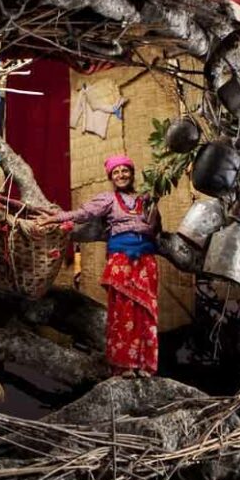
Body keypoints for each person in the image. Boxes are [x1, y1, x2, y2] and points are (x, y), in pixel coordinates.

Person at [59, 155, 161, 375]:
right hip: (121, 261)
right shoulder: (108, 199)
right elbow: (83, 213)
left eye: (125, 171)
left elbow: (156, 227)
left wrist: (154, 208)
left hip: (146, 262)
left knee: (145, 312)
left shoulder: (146, 197)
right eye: (116, 172)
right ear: (111, 177)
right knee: (122, 313)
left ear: (132, 174)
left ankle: (144, 365)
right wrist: (55, 218)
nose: (121, 175)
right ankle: (124, 366)